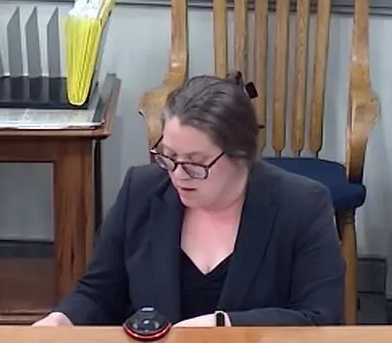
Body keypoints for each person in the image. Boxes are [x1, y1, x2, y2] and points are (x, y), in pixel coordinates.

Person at [32, 74, 346, 327]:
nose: (178, 175)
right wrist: (62, 320)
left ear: (241, 156)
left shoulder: (302, 206)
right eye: (168, 156)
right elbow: (99, 292)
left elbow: (321, 318)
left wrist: (224, 325)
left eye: (196, 163)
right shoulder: (141, 191)